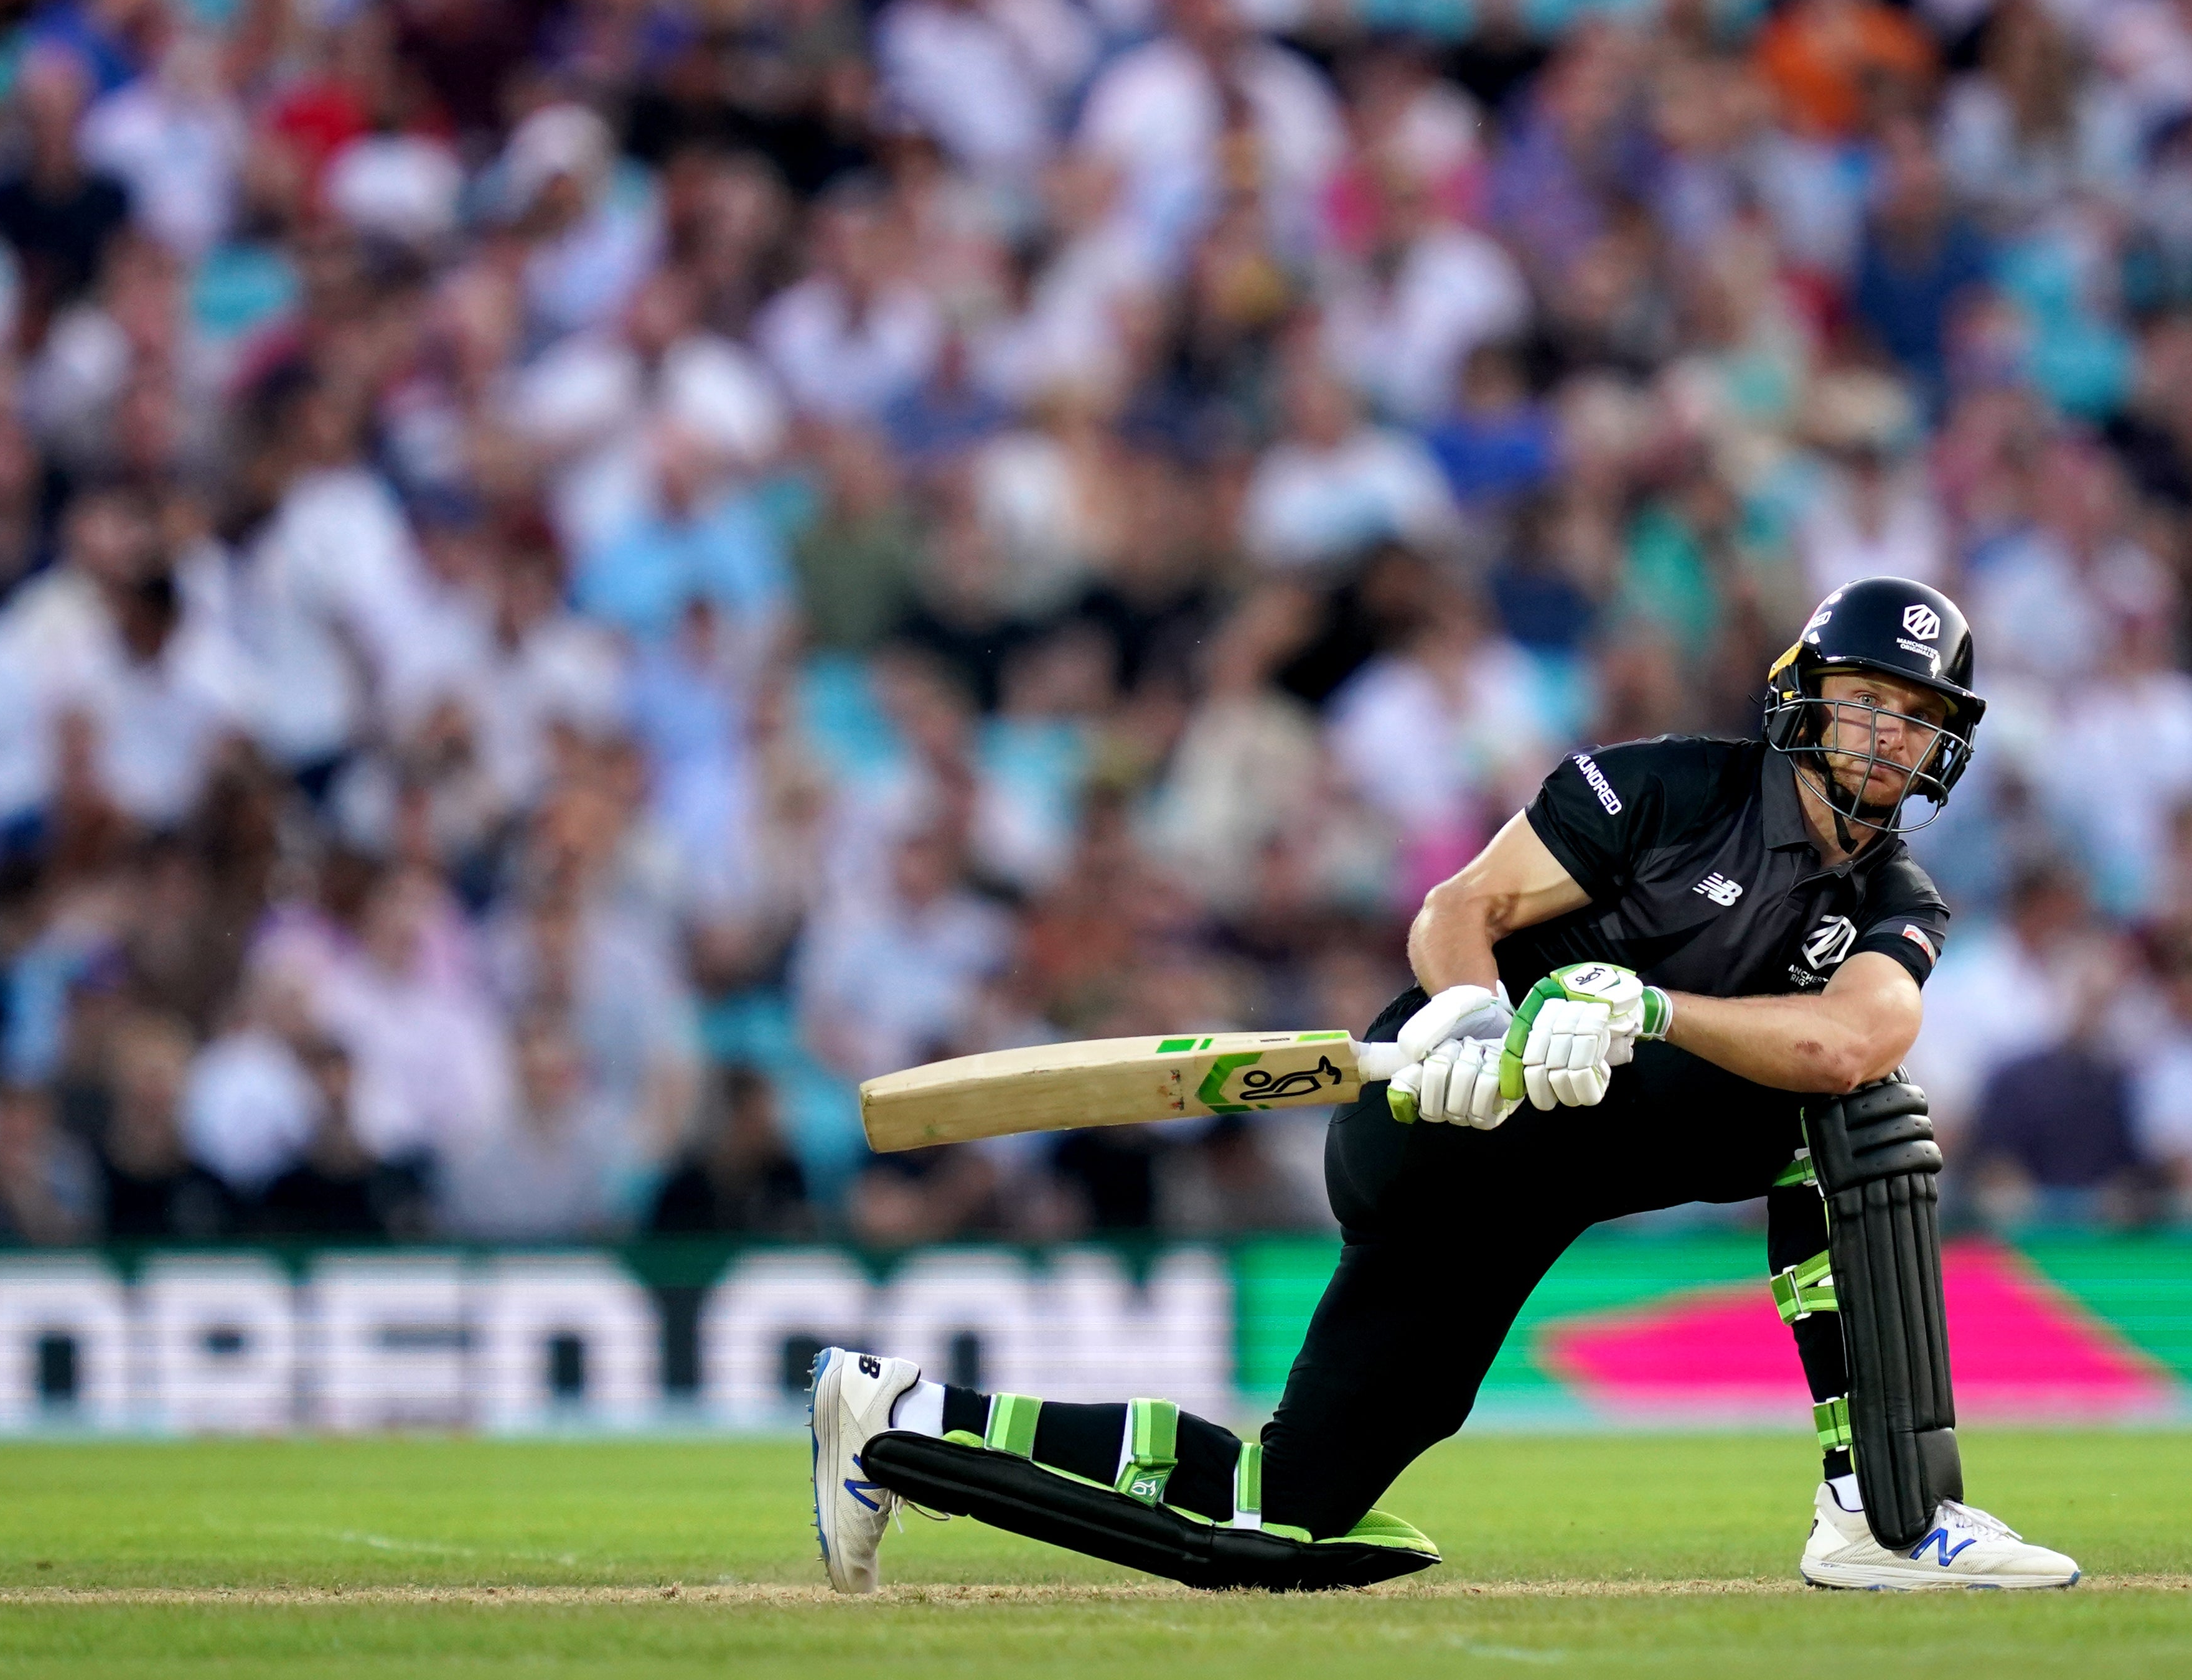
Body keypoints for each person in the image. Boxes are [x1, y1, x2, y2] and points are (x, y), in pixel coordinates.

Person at [810, 577, 2082, 1594]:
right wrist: (1476, 1014)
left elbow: (1850, 1040)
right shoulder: (1663, 790)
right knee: (1846, 1118)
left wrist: (1645, 1008)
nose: (1887, 735)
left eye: (1916, 716)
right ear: (1801, 699)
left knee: (1284, 1505)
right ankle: (1890, 1521)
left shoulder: (1896, 900)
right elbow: (1460, 906)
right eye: (1865, 700)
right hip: (1448, 1114)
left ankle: (893, 1416)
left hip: (1588, 1162)